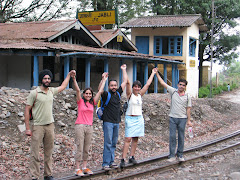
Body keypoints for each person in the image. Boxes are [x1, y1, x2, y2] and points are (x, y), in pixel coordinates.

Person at [25, 69, 76, 180]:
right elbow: (27, 109)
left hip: (50, 125)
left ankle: (48, 175)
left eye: (48, 78)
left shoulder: (51, 91)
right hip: (38, 126)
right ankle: (35, 176)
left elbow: (63, 86)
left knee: (49, 152)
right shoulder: (35, 93)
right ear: (41, 80)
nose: (47, 80)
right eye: (45, 78)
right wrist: (28, 128)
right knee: (35, 153)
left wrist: (68, 75)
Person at [72, 72, 108, 176]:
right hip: (80, 126)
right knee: (80, 147)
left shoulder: (93, 103)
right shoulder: (80, 102)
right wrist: (74, 79)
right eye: (86, 93)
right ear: (84, 95)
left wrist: (104, 80)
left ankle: (84, 166)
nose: (88, 95)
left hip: (89, 127)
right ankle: (77, 168)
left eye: (90, 94)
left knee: (87, 148)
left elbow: (100, 91)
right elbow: (77, 90)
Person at [120, 68, 158, 168]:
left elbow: (148, 85)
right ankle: (123, 158)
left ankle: (132, 156)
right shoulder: (129, 95)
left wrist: (153, 73)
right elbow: (127, 83)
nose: (137, 88)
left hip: (139, 119)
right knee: (128, 138)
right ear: (133, 88)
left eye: (138, 87)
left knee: (135, 138)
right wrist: (124, 70)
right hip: (130, 118)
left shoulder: (140, 95)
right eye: (135, 87)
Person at [156, 72, 192, 162]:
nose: (181, 86)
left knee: (181, 137)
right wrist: (156, 74)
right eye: (180, 84)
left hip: (182, 119)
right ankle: (172, 155)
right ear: (177, 85)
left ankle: (180, 155)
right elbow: (163, 83)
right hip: (172, 118)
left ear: (185, 87)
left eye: (183, 85)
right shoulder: (173, 91)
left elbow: (188, 109)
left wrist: (189, 121)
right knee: (172, 137)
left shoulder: (187, 96)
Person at [99, 64, 128, 170]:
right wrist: (103, 80)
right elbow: (100, 90)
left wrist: (124, 70)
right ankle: (105, 163)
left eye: (115, 85)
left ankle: (111, 162)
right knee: (108, 142)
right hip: (108, 122)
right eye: (112, 86)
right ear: (109, 87)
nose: (114, 87)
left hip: (116, 121)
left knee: (114, 143)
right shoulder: (106, 94)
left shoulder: (118, 93)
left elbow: (124, 82)